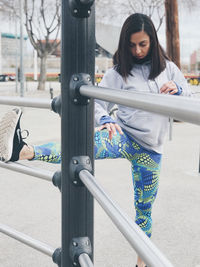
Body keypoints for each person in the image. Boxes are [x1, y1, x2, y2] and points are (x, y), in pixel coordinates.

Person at [0, 13, 192, 267]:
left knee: (144, 211)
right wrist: (106, 120)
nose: (136, 50)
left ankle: (141, 264)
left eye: (142, 44)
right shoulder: (119, 72)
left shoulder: (169, 69)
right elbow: (97, 103)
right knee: (81, 146)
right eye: (131, 45)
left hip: (151, 150)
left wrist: (177, 91)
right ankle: (21, 150)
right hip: (123, 135)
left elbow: (189, 98)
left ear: (153, 42)